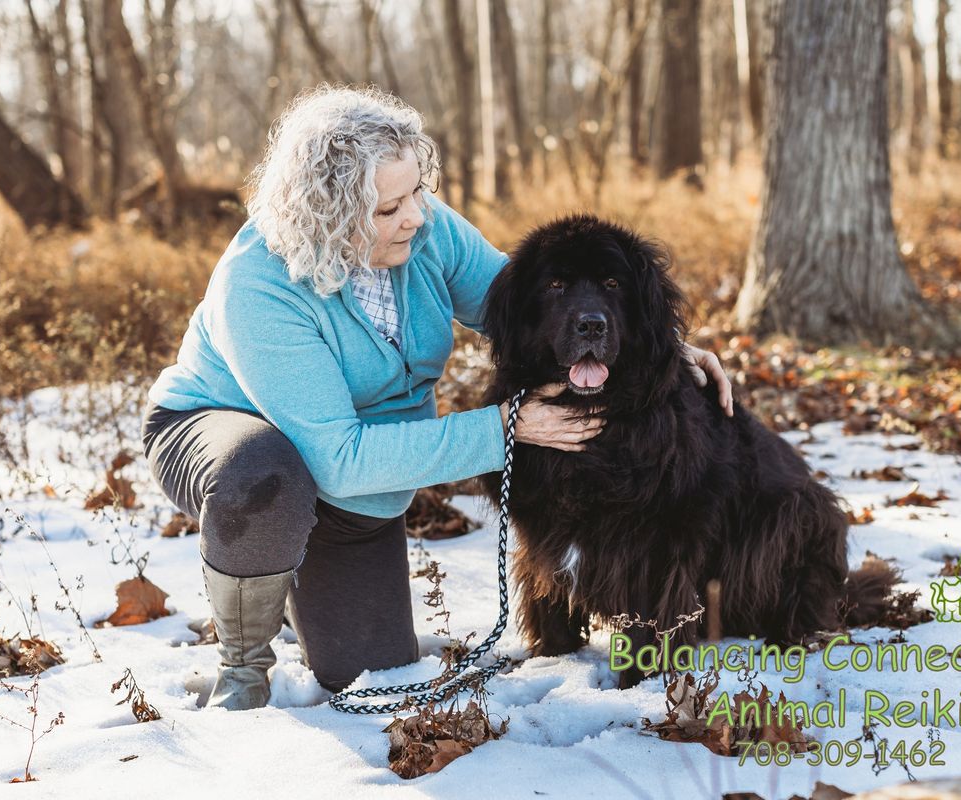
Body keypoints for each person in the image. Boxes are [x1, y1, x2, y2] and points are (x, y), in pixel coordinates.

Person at [140, 86, 733, 711]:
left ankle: (296, 580)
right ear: (329, 214)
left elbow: (526, 309)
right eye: (389, 206)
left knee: (367, 668)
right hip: (224, 435)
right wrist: (507, 428)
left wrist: (656, 346)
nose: (417, 215)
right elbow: (338, 457)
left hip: (361, 477)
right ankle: (244, 670)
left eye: (419, 190)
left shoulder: (423, 233)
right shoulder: (257, 288)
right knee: (266, 473)